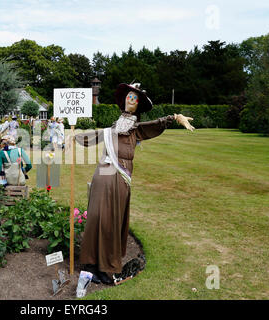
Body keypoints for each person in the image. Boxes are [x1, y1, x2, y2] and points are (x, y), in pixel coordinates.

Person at [75, 82, 195, 285]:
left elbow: (153, 125)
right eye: (129, 96)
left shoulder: (135, 129)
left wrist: (174, 117)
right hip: (102, 174)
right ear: (124, 101)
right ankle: (91, 263)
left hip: (119, 176)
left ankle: (107, 267)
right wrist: (74, 137)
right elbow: (95, 136)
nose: (131, 99)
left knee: (111, 220)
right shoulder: (113, 127)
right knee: (96, 216)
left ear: (138, 105)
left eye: (135, 98)